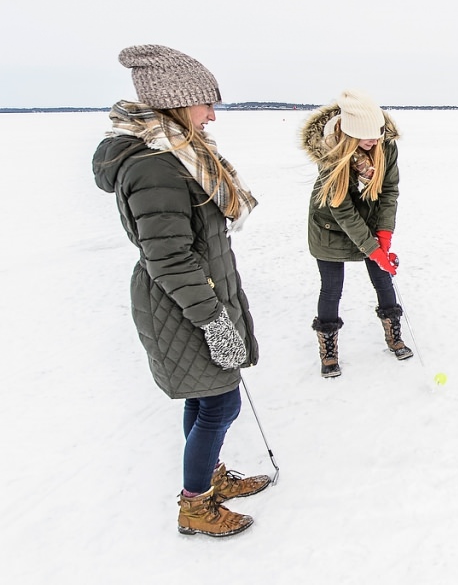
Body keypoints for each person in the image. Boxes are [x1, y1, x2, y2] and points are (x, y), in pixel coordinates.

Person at [92, 45, 270, 537]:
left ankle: (208, 475)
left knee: (205, 395)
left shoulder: (179, 155)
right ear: (175, 101)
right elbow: (168, 256)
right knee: (220, 403)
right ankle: (195, 506)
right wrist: (213, 320)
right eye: (205, 103)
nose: (212, 114)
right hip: (184, 304)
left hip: (194, 296)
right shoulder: (156, 166)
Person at [301, 89, 413, 378]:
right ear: (349, 132)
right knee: (331, 287)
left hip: (371, 221)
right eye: (366, 136)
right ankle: (329, 349)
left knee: (382, 277)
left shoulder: (386, 147)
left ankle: (394, 335)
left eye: (377, 133)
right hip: (330, 226)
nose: (374, 140)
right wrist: (373, 249)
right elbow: (341, 207)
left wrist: (384, 236)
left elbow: (389, 191)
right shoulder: (331, 152)